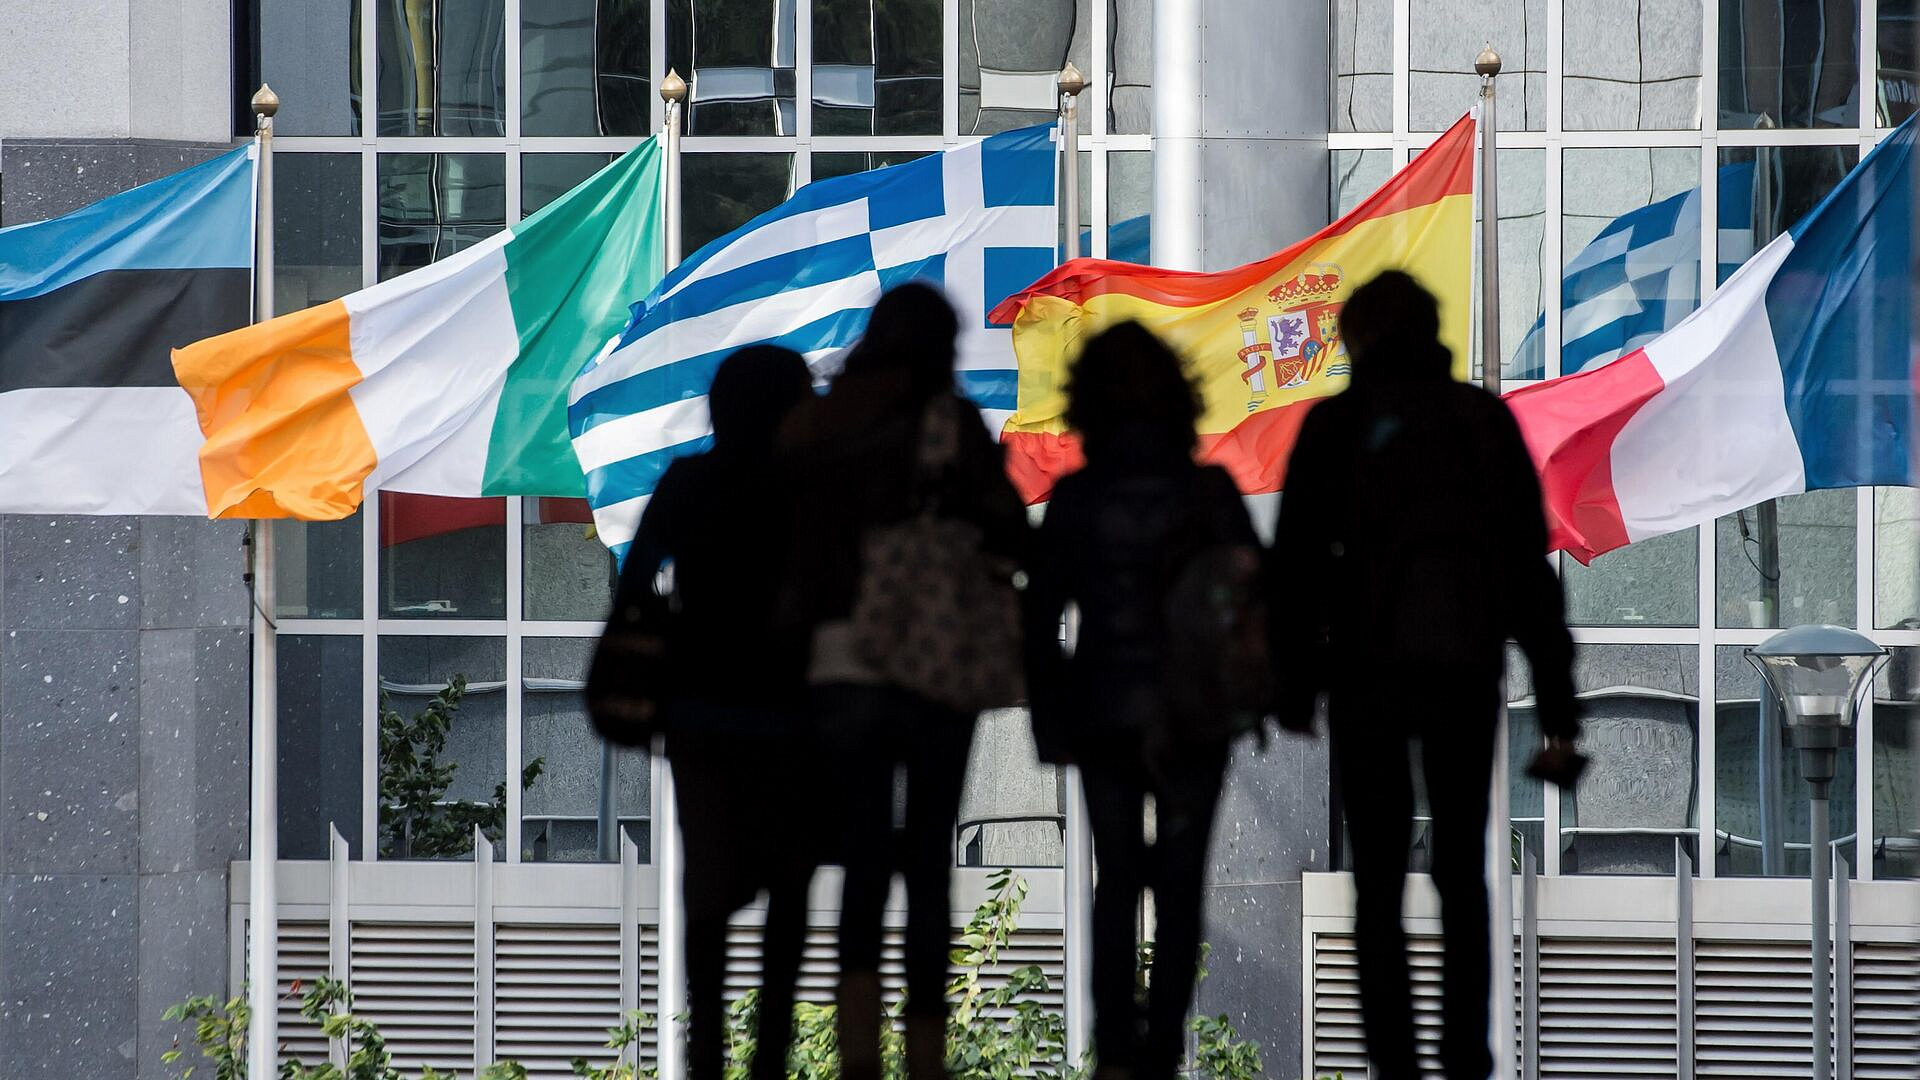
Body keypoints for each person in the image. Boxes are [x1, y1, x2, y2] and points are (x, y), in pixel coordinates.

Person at [1271, 271, 1582, 1080]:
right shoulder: (1481, 422)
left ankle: (1395, 1064)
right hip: (1462, 671)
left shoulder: (1335, 427)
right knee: (1460, 872)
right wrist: (1558, 710)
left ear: (1357, 338)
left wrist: (1295, 684)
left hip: (1365, 676)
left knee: (1377, 878)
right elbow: (1526, 573)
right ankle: (1465, 1057)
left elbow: (1296, 568)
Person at [779, 283, 1029, 1080]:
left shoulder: (821, 421)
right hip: (937, 661)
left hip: (841, 661)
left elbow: (790, 544)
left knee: (859, 855)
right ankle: (924, 1052)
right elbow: (1011, 530)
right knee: (927, 858)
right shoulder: (951, 423)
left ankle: (858, 1046)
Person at [1024, 321, 1262, 1080]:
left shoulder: (1076, 499)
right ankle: (1162, 1049)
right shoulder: (1210, 493)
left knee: (1117, 877)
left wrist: (1052, 722)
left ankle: (1116, 1052)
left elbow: (1037, 620)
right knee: (1182, 883)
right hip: (1196, 713)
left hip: (1103, 711)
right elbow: (1256, 603)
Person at [606, 344, 819, 1080]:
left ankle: (705, 1046)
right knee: (789, 882)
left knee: (707, 879)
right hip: (793, 708)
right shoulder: (810, 489)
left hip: (700, 707)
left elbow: (635, 578)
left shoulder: (689, 482)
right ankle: (772, 1048)